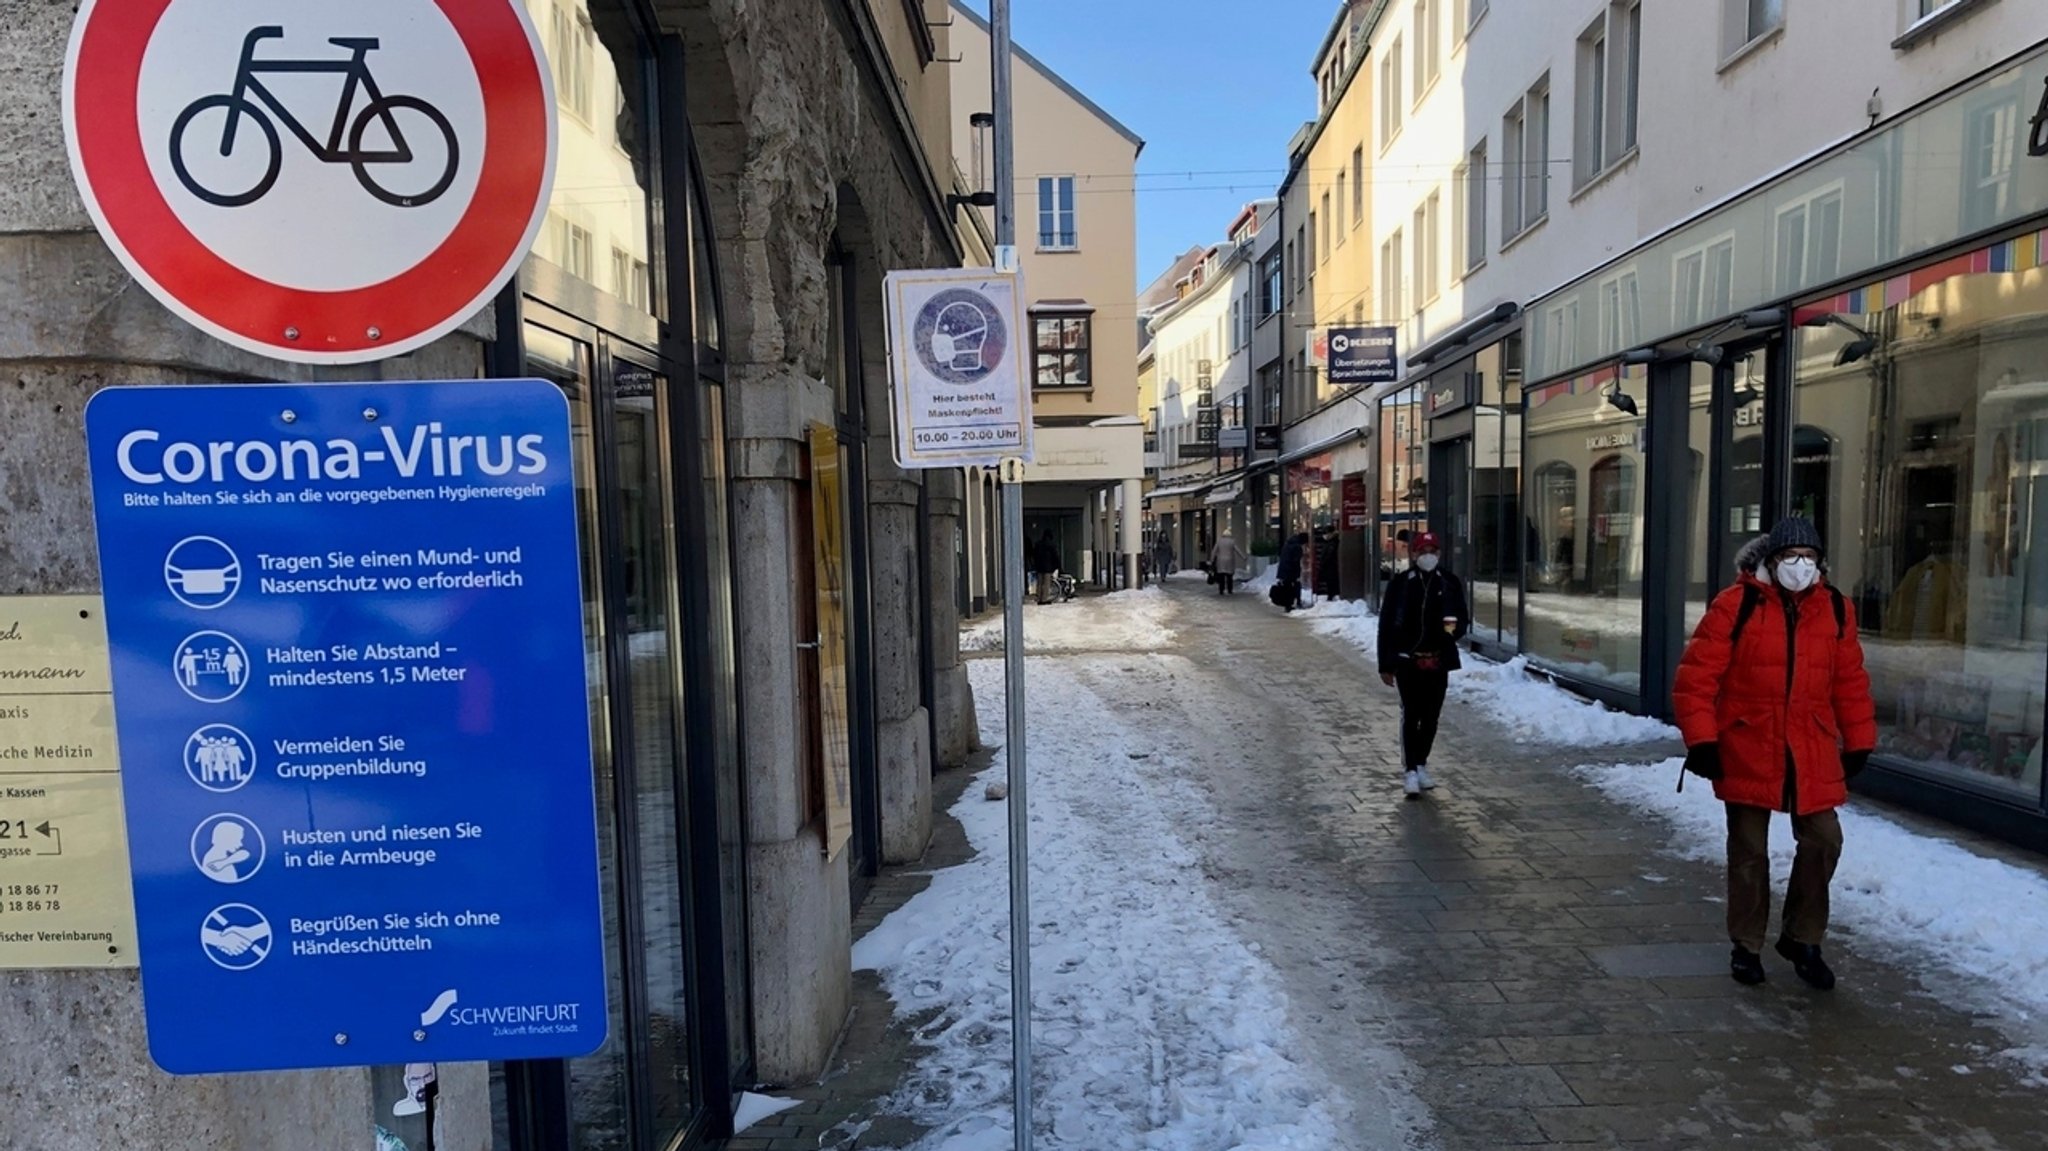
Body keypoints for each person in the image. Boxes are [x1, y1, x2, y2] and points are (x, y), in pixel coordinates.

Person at [1672, 516, 1876, 991]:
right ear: (1771, 560)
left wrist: (1860, 739)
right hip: (1748, 742)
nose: (1799, 566)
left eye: (1808, 558)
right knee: (1748, 851)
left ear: (1819, 563)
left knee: (1824, 840)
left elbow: (1849, 681)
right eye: (1790, 557)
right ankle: (1746, 945)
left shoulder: (1837, 610)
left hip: (1811, 744)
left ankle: (1803, 937)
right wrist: (1702, 740)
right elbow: (1696, 679)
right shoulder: (1735, 605)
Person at [1376, 531, 1469, 797]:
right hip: (1408, 661)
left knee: (1431, 716)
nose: (1428, 555)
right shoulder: (1401, 585)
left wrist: (1451, 631)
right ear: (1413, 554)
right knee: (1412, 715)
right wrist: (1386, 663)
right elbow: (1386, 626)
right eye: (1422, 550)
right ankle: (1410, 771)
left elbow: (1461, 617)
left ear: (1438, 554)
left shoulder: (1449, 582)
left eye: (1433, 550)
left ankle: (1421, 762)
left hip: (1438, 660)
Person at [1273, 531, 1307, 610]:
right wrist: (1297, 574)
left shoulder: (1288, 544)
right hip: (1290, 571)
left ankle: (1288, 604)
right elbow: (1296, 562)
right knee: (1294, 586)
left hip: (1283, 570)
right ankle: (1295, 603)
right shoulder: (1297, 547)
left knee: (1286, 587)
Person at [1208, 531, 1246, 596]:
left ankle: (1221, 590)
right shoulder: (1232, 542)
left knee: (1221, 576)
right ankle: (1229, 590)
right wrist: (1243, 557)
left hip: (1220, 561)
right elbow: (1238, 550)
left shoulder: (1219, 541)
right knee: (1229, 576)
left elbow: (1214, 551)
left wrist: (1211, 560)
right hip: (1229, 560)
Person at [1032, 530, 1061, 606]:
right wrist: (1057, 566)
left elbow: (1034, 555)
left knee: (1040, 583)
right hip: (1048, 567)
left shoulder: (1038, 544)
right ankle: (1044, 599)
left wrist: (1035, 564)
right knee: (1046, 584)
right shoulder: (1051, 545)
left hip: (1039, 567)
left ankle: (1038, 597)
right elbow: (1055, 556)